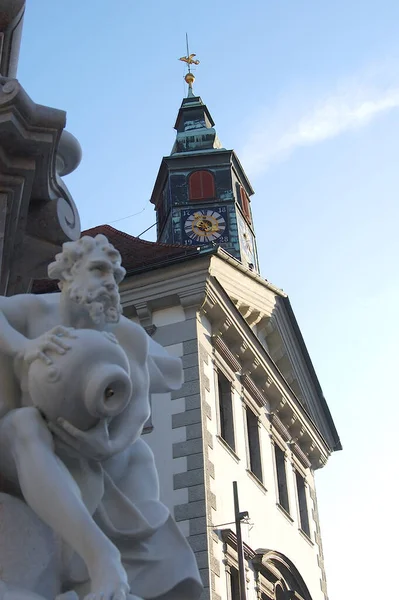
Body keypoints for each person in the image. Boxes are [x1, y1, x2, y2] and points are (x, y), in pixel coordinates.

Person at [0, 235, 202, 600]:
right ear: (67, 275)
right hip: (17, 454)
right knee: (22, 425)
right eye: (98, 270)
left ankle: (114, 569)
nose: (110, 282)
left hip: (86, 451)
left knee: (138, 455)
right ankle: (101, 556)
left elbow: (137, 407)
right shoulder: (37, 311)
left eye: (115, 275)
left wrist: (107, 443)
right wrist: (23, 345)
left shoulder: (127, 336)